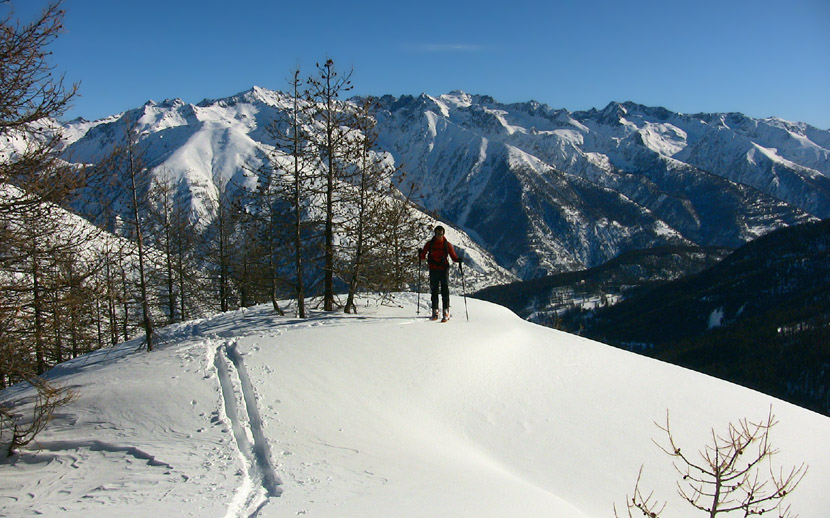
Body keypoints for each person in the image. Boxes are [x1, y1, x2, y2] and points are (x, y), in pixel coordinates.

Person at [419, 225, 461, 321]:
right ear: (435, 233)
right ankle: (435, 310)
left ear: (443, 234)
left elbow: (453, 257)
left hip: (442, 270)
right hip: (435, 269)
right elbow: (423, 256)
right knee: (435, 291)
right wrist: (421, 254)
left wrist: (458, 260)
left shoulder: (445, 245)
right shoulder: (431, 244)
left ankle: (445, 311)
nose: (439, 236)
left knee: (444, 290)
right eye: (437, 234)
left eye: (440, 234)